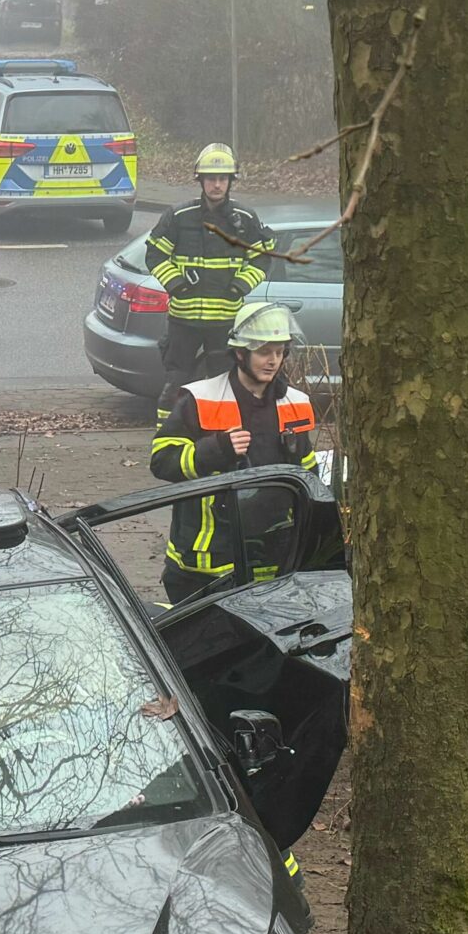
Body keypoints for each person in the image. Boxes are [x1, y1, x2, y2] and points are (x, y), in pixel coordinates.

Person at [147, 301, 317, 605]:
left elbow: (308, 474)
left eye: (280, 352)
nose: (273, 361)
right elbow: (162, 461)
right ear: (240, 353)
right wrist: (216, 449)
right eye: (264, 352)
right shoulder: (201, 399)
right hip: (205, 564)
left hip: (271, 560)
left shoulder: (295, 403)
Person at [144, 144, 276, 391]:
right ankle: (171, 419)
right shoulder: (179, 216)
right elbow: (155, 254)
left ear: (230, 182)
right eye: (211, 179)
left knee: (224, 386)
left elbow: (262, 258)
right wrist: (176, 284)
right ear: (201, 181)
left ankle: (219, 420)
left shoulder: (245, 218)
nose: (217, 185)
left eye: (222, 179)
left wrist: (239, 287)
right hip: (183, 321)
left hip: (225, 322)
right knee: (175, 385)